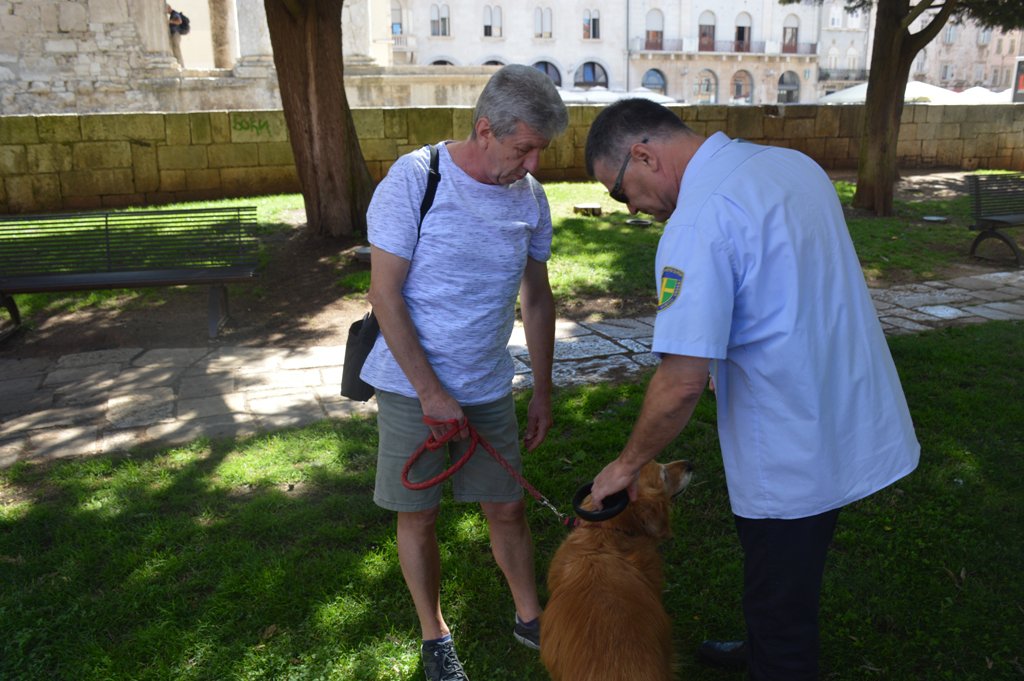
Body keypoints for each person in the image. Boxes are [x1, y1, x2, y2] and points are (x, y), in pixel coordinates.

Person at [584, 99, 920, 681]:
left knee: (780, 595)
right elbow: (787, 282)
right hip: (844, 409)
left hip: (790, 442)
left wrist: (627, 465)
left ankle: (776, 653)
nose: (633, 209)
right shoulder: (791, 165)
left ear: (643, 155)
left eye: (622, 193)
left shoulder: (697, 220)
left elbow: (680, 381)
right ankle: (765, 640)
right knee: (784, 576)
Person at [362, 64, 568, 681]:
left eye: (540, 151)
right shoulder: (416, 178)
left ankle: (530, 615)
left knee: (506, 508)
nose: (532, 165)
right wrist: (429, 392)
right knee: (418, 514)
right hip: (410, 387)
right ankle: (434, 634)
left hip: (486, 385)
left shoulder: (530, 199)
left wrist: (542, 388)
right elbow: (385, 294)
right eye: (522, 148)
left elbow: (537, 297)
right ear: (485, 129)